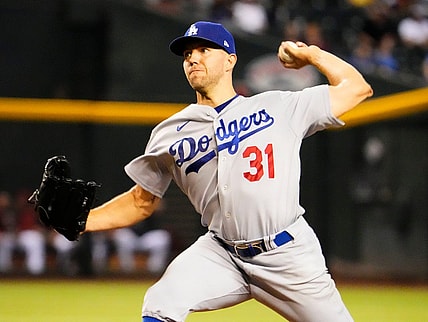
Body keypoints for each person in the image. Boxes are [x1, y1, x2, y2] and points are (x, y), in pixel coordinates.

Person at [84, 21, 373, 322]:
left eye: (204, 50)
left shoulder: (278, 106)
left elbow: (357, 89)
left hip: (287, 254)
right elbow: (140, 202)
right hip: (221, 252)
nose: (193, 58)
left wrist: (311, 55)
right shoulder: (168, 132)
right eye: (187, 54)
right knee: (161, 301)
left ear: (230, 60)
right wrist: (83, 221)